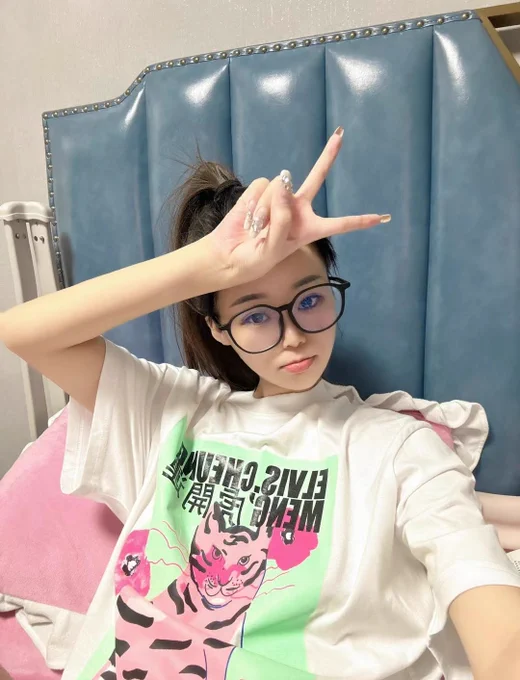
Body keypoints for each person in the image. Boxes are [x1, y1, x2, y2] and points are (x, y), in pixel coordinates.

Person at [2, 128, 520, 680]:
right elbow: (23, 331)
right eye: (254, 314)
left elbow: (487, 603)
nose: (294, 336)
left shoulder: (398, 448)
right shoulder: (174, 412)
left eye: (311, 299)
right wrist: (211, 266)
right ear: (217, 329)